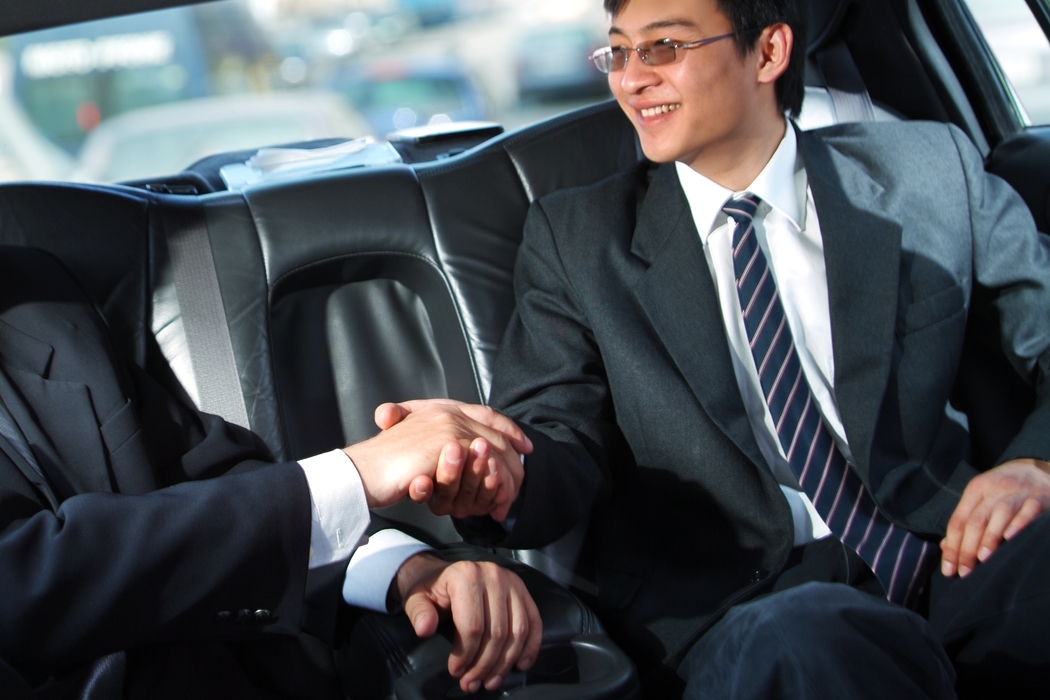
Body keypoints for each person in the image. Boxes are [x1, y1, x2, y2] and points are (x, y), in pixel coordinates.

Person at [419, 0, 1050, 696]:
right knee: (812, 640)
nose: (631, 80)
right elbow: (557, 431)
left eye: (663, 47)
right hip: (743, 605)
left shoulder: (929, 172)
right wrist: (499, 479)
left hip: (951, 550)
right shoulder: (579, 239)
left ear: (770, 53)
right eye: (619, 53)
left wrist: (1035, 463)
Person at [0, 246, 540, 698]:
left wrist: (404, 570)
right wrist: (360, 470)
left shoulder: (32, 293)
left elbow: (205, 469)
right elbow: (22, 583)